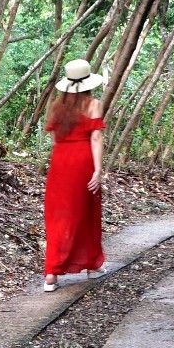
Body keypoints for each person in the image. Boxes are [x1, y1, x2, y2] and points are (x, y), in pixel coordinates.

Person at [43, 57, 105, 290]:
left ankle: (51, 274)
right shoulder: (93, 104)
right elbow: (96, 137)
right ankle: (91, 265)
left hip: (60, 161)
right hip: (82, 159)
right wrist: (98, 169)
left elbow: (54, 138)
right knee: (85, 211)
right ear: (88, 82)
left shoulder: (57, 106)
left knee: (58, 214)